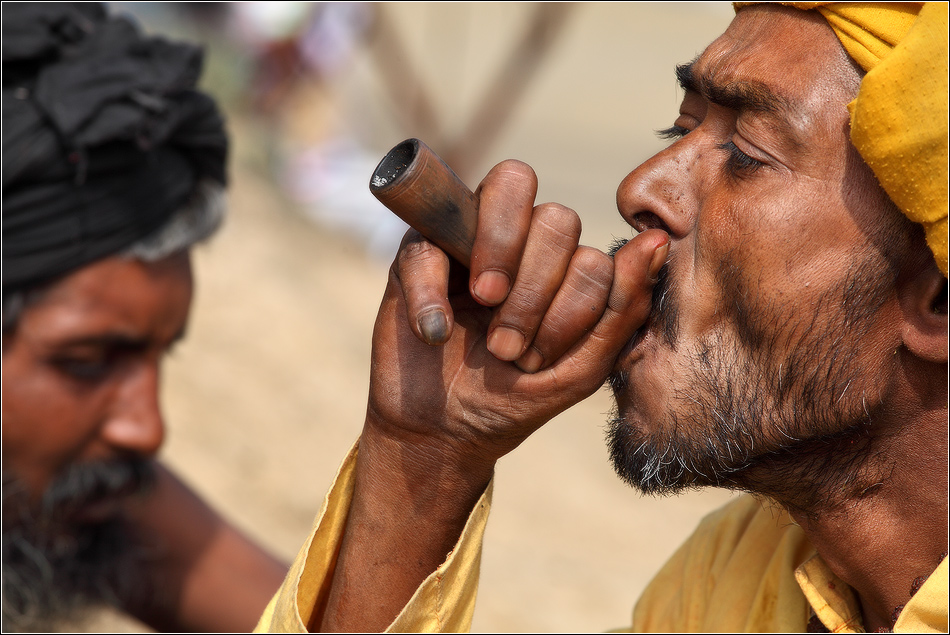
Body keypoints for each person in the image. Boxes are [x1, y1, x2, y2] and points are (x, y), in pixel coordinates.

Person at [256, 2, 948, 633]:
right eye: (678, 128)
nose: (639, 189)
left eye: (745, 155)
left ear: (938, 300)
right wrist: (424, 455)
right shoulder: (727, 587)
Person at [2, 4, 286, 632]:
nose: (145, 428)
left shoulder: (66, 488)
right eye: (85, 363)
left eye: (159, 358)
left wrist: (424, 446)